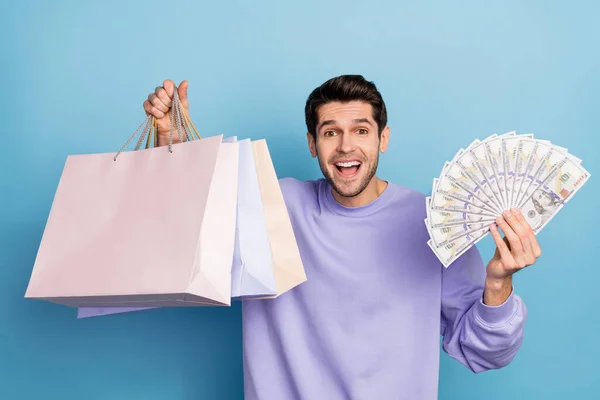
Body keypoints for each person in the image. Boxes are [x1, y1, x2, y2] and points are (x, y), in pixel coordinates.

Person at [143, 75, 542, 400]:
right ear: (312, 144)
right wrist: (174, 152)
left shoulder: (434, 222)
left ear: (382, 139)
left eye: (361, 130)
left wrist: (498, 282)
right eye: (330, 132)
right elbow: (188, 237)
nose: (346, 146)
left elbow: (485, 352)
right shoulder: (269, 205)